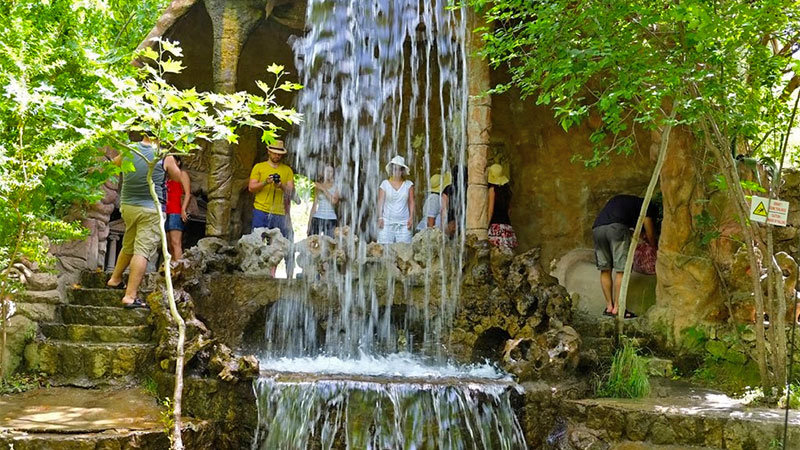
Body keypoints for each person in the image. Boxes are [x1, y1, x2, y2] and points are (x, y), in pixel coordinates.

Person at [106, 134, 182, 308]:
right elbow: (177, 177)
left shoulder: (130, 150)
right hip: (151, 209)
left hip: (128, 206)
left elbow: (112, 167)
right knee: (142, 251)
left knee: (129, 244)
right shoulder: (164, 155)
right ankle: (130, 297)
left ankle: (115, 279)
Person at [592, 194, 659, 319]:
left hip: (597, 228)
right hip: (616, 228)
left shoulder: (626, 202)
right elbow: (649, 230)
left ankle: (609, 307)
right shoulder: (647, 206)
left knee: (605, 269)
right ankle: (619, 308)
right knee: (621, 270)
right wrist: (653, 246)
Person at [248, 140, 294, 238]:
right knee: (257, 240)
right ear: (269, 152)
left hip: (279, 213)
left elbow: (291, 192)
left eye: (279, 154)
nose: (277, 156)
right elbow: (251, 188)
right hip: (260, 210)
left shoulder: (287, 170)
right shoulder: (259, 167)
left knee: (278, 244)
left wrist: (281, 185)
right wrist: (265, 182)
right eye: (275, 153)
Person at [377, 155, 415, 244]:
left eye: (399, 169)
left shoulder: (408, 184)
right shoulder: (385, 184)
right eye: (394, 169)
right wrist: (380, 217)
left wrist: (411, 218)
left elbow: (411, 202)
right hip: (386, 222)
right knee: (383, 250)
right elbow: (380, 202)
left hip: (404, 223)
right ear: (391, 170)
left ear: (402, 171)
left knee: (405, 252)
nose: (397, 171)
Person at [164, 156, 191, 261]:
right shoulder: (167, 178)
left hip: (176, 211)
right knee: (169, 244)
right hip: (166, 211)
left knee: (176, 242)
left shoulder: (182, 174)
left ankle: (179, 267)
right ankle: (172, 269)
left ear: (178, 162)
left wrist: (183, 209)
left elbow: (188, 193)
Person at [487, 164, 517, 249]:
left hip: (495, 226)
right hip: (507, 226)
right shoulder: (507, 191)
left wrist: (486, 226)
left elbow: (491, 210)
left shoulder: (492, 189)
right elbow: (509, 210)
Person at [308, 165, 339, 237]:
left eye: (330, 171)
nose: (328, 173)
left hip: (331, 219)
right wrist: (309, 224)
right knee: (312, 242)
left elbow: (334, 201)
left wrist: (323, 189)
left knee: (330, 244)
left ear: (333, 173)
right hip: (318, 217)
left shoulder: (336, 186)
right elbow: (314, 205)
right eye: (327, 171)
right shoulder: (318, 186)